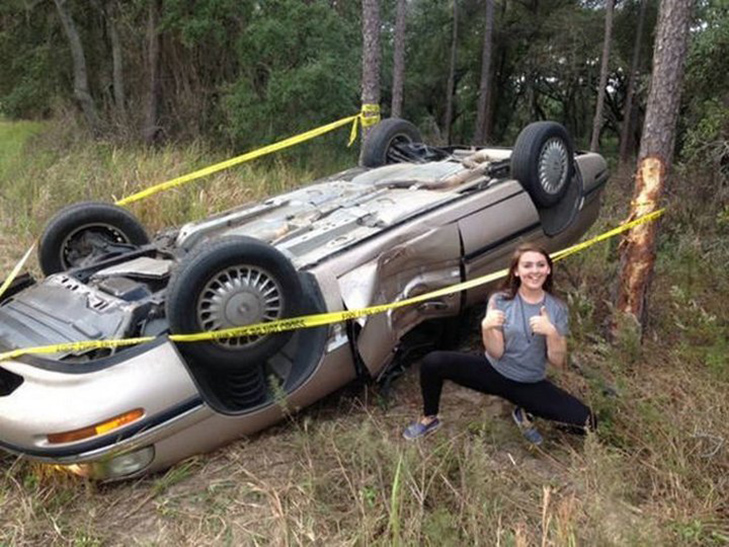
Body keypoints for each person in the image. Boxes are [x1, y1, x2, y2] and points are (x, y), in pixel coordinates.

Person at [403, 243, 595, 444]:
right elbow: (496, 352)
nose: (535, 271)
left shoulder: (557, 308)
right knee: (434, 362)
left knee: (589, 423)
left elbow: (557, 361)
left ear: (548, 269)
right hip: (493, 372)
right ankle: (429, 418)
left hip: (529, 382)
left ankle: (525, 411)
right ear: (517, 271)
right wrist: (486, 327)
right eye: (527, 266)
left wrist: (551, 332)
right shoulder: (500, 300)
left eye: (540, 265)